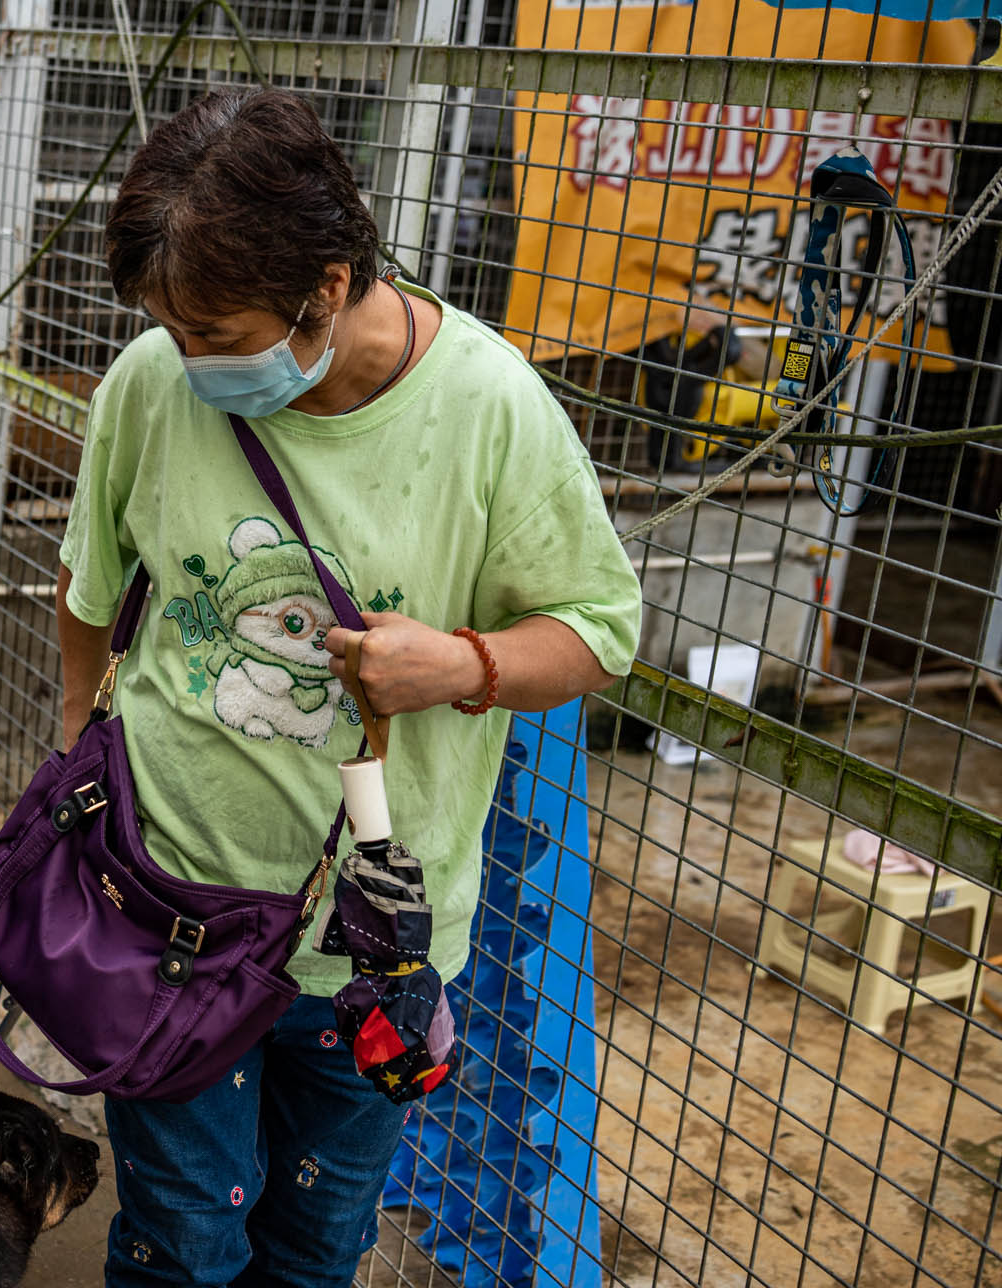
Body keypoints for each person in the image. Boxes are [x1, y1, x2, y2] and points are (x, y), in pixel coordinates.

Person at [57, 88, 641, 1286]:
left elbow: (598, 633)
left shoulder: (489, 410)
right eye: (169, 330)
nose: (189, 363)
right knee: (177, 1239)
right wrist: (80, 776)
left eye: (216, 334)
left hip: (370, 952)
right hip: (165, 917)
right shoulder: (148, 387)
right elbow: (89, 592)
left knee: (318, 1248)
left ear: (327, 283)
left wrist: (466, 666)